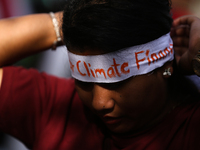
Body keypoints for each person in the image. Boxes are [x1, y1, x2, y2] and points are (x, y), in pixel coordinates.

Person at [0, 0, 200, 149]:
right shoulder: (56, 108)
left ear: (164, 63)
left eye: (116, 81)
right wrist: (78, 18)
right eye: (84, 80)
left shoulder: (191, 130)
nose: (100, 103)